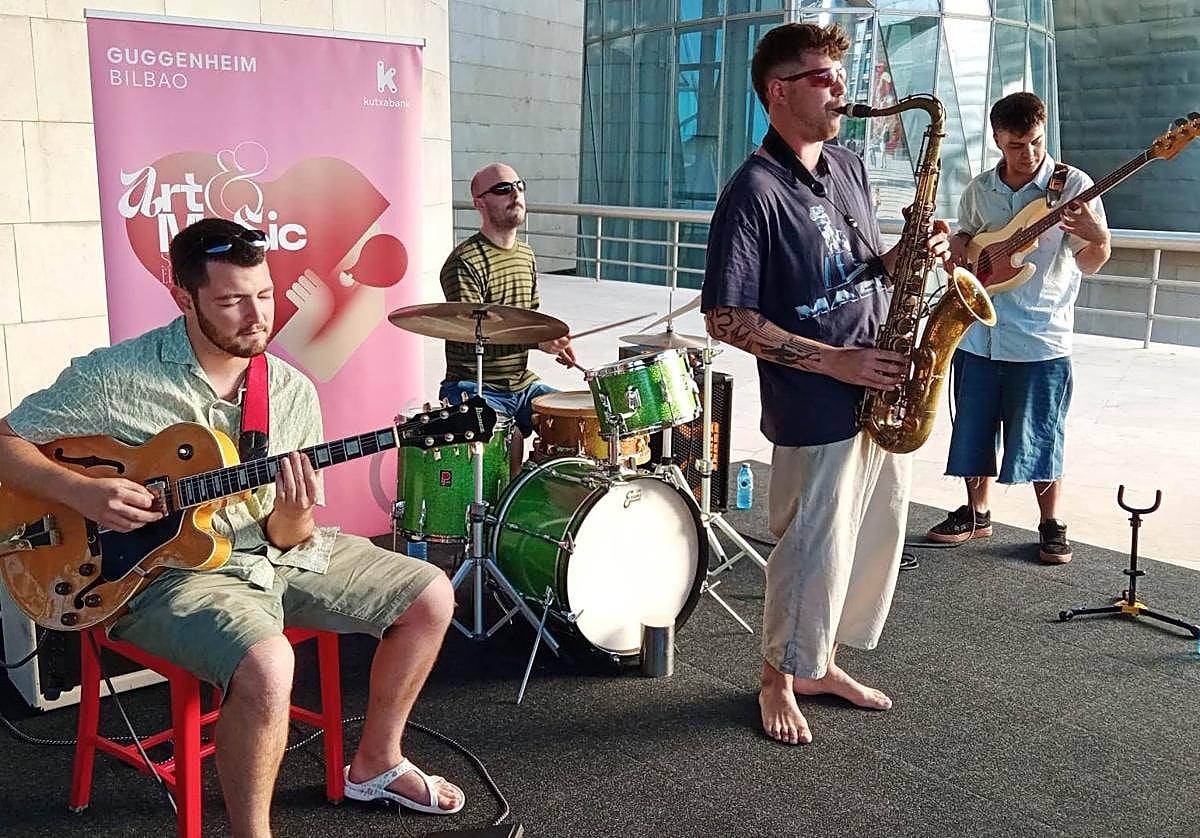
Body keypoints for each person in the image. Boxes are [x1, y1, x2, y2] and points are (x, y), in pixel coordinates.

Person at [0, 218, 465, 836]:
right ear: (183, 298)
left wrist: (296, 516)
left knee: (431, 594)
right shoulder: (116, 377)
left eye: (266, 295)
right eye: (230, 301)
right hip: (156, 576)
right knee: (270, 665)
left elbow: (290, 538)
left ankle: (375, 762)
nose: (257, 317)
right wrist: (83, 491)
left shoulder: (291, 391)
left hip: (270, 551)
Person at [701, 22, 952, 746]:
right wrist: (833, 361)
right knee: (808, 547)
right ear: (778, 92)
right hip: (817, 397)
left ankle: (820, 662)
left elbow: (858, 268)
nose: (842, 88)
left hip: (879, 383)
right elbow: (727, 317)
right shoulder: (751, 191)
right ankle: (777, 676)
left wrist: (911, 252)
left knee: (863, 540)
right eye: (824, 77)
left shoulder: (847, 165)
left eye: (841, 75)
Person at [926, 92, 1110, 564]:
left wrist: (1097, 235)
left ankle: (1050, 523)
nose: (1027, 155)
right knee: (972, 429)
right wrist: (960, 248)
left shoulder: (1074, 187)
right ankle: (976, 513)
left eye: (1034, 143)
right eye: (1015, 145)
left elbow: (1092, 263)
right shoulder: (979, 189)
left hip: (1039, 336)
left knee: (1043, 433)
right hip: (977, 333)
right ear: (997, 140)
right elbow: (966, 238)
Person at [438, 163, 575, 471]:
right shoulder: (464, 261)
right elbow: (475, 333)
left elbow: (531, 318)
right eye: (502, 189)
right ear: (479, 203)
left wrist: (553, 339)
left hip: (522, 384)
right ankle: (501, 512)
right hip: (475, 385)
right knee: (508, 438)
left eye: (519, 185)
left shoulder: (526, 254)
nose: (515, 194)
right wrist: (538, 343)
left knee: (578, 420)